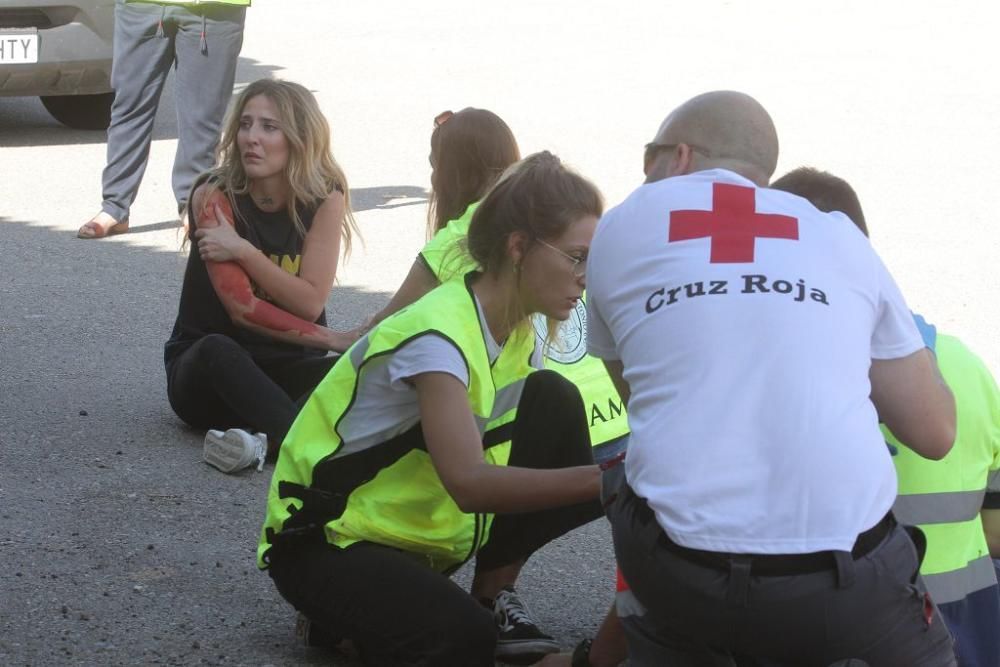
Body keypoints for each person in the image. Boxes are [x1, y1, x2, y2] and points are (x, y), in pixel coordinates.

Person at [586, 91, 958, 665]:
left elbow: (643, 399)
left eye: (648, 158)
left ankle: (660, 644)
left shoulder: (620, 228)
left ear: (678, 156)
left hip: (679, 574)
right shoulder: (839, 238)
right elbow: (935, 434)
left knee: (629, 474)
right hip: (844, 590)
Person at [257, 152, 605, 667]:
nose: (586, 276)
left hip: (411, 541)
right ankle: (348, 619)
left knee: (554, 401)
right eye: (578, 257)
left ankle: (486, 599)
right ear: (518, 248)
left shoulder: (517, 327)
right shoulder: (437, 335)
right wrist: (617, 479)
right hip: (324, 540)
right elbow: (468, 482)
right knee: (461, 641)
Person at [771, 166, 1000, 667]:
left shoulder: (783, 366)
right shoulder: (968, 363)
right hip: (968, 617)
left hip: (849, 622)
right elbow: (996, 528)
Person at [368, 107, 630, 466]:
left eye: (435, 167)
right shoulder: (558, 219)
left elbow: (380, 327)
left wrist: (316, 337)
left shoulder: (457, 243)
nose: (586, 277)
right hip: (621, 425)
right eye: (576, 258)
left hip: (572, 440)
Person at [164, 79, 359, 473]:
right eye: (246, 124)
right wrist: (334, 339)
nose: (252, 138)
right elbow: (242, 309)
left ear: (300, 138)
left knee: (367, 367)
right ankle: (301, 445)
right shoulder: (214, 195)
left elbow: (309, 302)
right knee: (218, 347)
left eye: (269, 127)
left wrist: (242, 250)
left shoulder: (326, 196)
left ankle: (262, 442)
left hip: (285, 367)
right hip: (211, 376)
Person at [78, 0, 248, 239]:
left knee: (203, 117)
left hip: (214, 8)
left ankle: (194, 205)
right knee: (130, 106)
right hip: (142, 6)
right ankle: (114, 207)